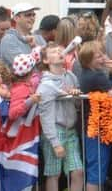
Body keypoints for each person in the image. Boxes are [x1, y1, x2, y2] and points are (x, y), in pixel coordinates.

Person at [78, 40, 112, 191]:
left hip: (94, 128)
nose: (103, 58)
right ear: (88, 60)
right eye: (98, 56)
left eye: (103, 54)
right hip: (95, 130)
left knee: (96, 170)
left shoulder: (88, 73)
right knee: (96, 172)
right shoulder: (96, 76)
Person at [37, 44, 83, 191]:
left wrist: (75, 95)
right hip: (54, 132)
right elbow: (45, 117)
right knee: (53, 174)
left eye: (60, 50)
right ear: (45, 60)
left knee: (78, 172)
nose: (59, 52)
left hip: (71, 131)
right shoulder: (45, 85)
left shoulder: (71, 76)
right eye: (54, 51)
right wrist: (55, 143)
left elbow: (77, 105)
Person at [0, 2, 40, 67]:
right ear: (16, 18)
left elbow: (48, 63)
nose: (32, 18)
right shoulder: (8, 40)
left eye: (33, 15)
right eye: (28, 15)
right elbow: (23, 66)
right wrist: (36, 50)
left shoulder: (38, 38)